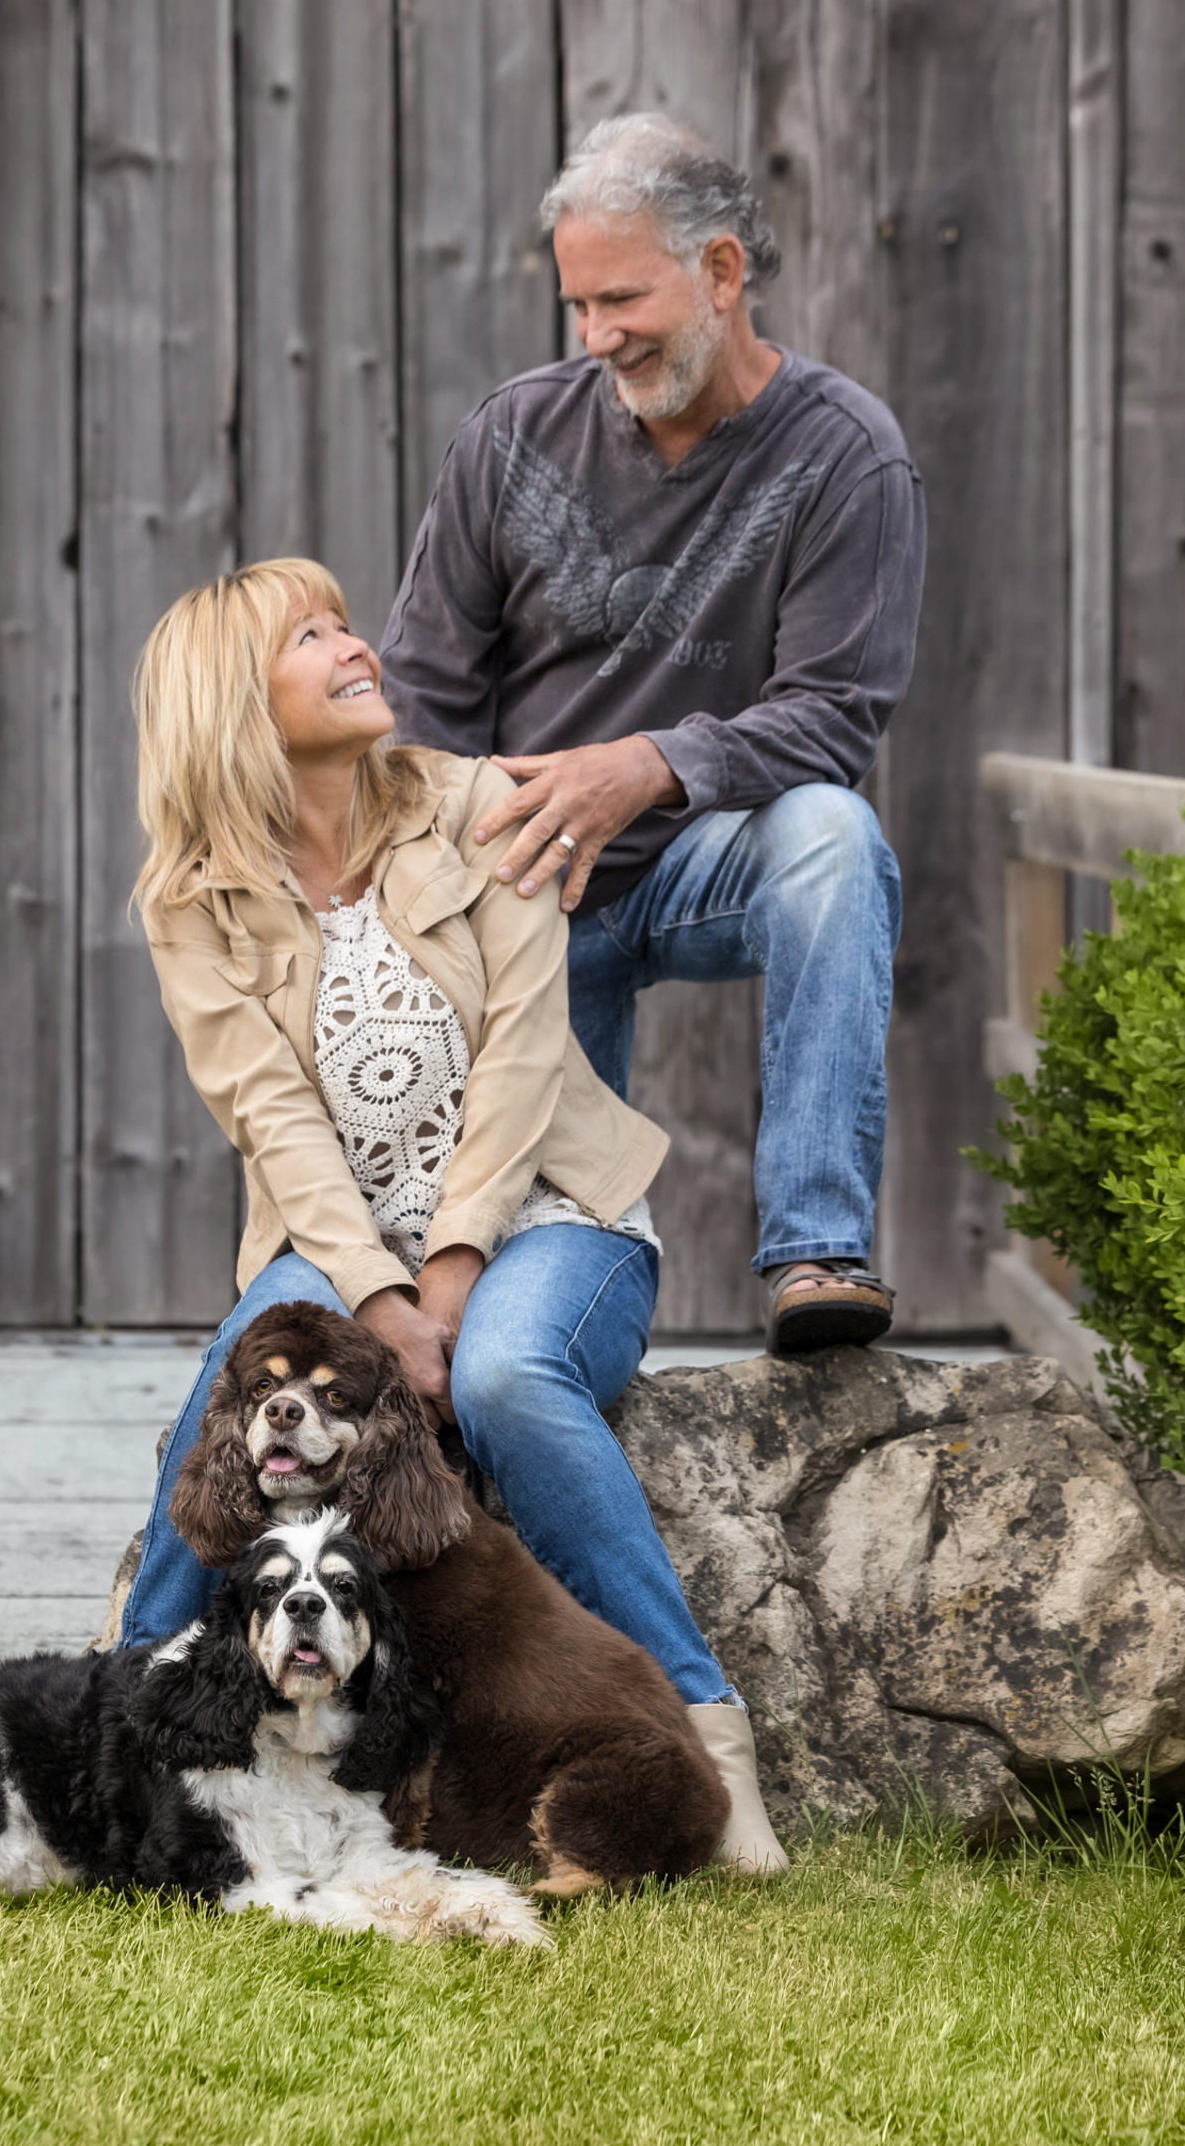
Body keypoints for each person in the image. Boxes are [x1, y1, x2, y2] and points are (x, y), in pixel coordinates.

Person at [120, 557, 788, 1874]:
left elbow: (528, 1054)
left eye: (341, 621)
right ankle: (126, 1726)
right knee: (231, 1386)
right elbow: (274, 1120)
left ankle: (711, 1742)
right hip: (335, 1241)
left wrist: (451, 1280)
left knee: (509, 1379)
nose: (354, 645)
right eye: (311, 638)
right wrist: (375, 1298)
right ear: (236, 705)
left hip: (551, 1212)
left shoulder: (480, 805)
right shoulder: (190, 902)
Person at [378, 112, 926, 1353]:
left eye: (622, 297)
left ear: (721, 272)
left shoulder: (848, 459)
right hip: (521, 880)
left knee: (834, 837)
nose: (596, 335)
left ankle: (813, 1253)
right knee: (524, 1270)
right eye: (578, 306)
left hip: (696, 861)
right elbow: (421, 699)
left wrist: (652, 765)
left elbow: (834, 715)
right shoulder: (512, 435)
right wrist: (466, 876)